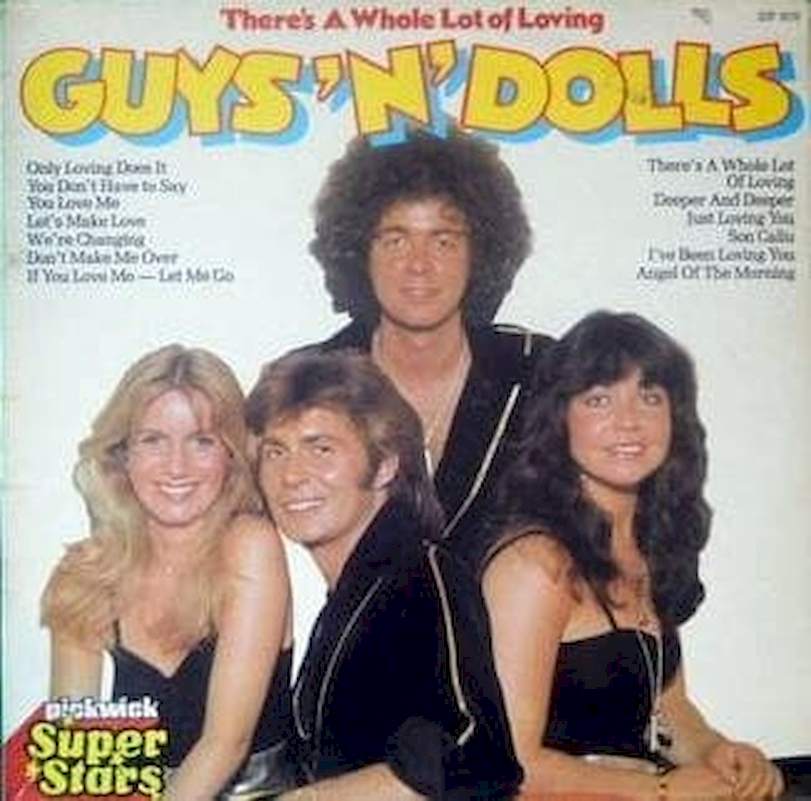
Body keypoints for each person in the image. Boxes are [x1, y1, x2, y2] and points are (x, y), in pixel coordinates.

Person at [479, 312, 785, 800]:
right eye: (599, 399)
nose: (629, 421)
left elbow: (668, 710)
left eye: (650, 397)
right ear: (559, 420)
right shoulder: (535, 565)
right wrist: (662, 791)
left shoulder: (651, 546)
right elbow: (513, 765)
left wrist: (721, 754)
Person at [244, 349, 522, 800]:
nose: (291, 475)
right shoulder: (357, 591)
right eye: (276, 451)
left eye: (321, 448)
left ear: (386, 465)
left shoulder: (422, 576)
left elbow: (472, 751)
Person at [41, 345, 293, 800]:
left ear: (230, 455)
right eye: (153, 440)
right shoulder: (86, 571)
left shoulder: (250, 545)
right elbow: (75, 752)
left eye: (202, 441)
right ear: (122, 454)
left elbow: (225, 745)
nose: (177, 466)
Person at [305, 127, 553, 546]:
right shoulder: (307, 381)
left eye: (444, 241)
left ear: (479, 254)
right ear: (360, 253)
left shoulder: (542, 371)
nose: (418, 264)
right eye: (395, 240)